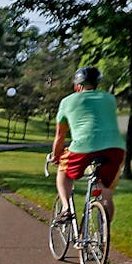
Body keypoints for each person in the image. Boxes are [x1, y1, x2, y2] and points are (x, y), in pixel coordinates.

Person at [50, 66, 126, 221]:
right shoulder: (110, 98)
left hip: (83, 147)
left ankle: (65, 208)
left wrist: (55, 156)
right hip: (116, 148)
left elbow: (60, 136)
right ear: (97, 83)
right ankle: (103, 239)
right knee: (106, 196)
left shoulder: (67, 101)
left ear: (77, 85)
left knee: (63, 171)